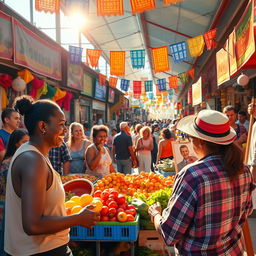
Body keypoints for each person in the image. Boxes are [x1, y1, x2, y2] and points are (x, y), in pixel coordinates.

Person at [148, 109, 255, 255]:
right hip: (232, 251)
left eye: (191, 138)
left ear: (199, 141)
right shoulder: (243, 170)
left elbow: (170, 234)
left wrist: (155, 214)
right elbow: (247, 211)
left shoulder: (192, 175)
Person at [4, 95, 99, 256]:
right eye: (61, 125)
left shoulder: (35, 154)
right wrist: (78, 218)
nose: (64, 130)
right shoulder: (33, 160)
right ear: (42, 126)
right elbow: (32, 225)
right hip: (40, 252)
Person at [0, 129, 29, 256]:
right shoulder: (8, 163)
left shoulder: (25, 160)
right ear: (16, 143)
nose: (28, 145)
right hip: (7, 204)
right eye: (24, 142)